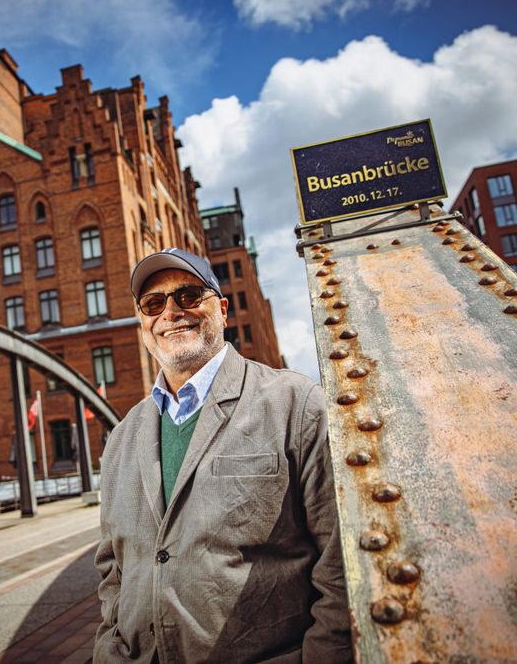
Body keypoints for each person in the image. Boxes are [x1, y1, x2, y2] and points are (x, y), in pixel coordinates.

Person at [94, 248, 351, 663]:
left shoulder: (295, 404)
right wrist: (110, 643)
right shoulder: (123, 436)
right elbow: (111, 566)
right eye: (153, 303)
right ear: (143, 323)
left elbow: (342, 562)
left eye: (189, 295)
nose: (171, 312)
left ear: (223, 309)